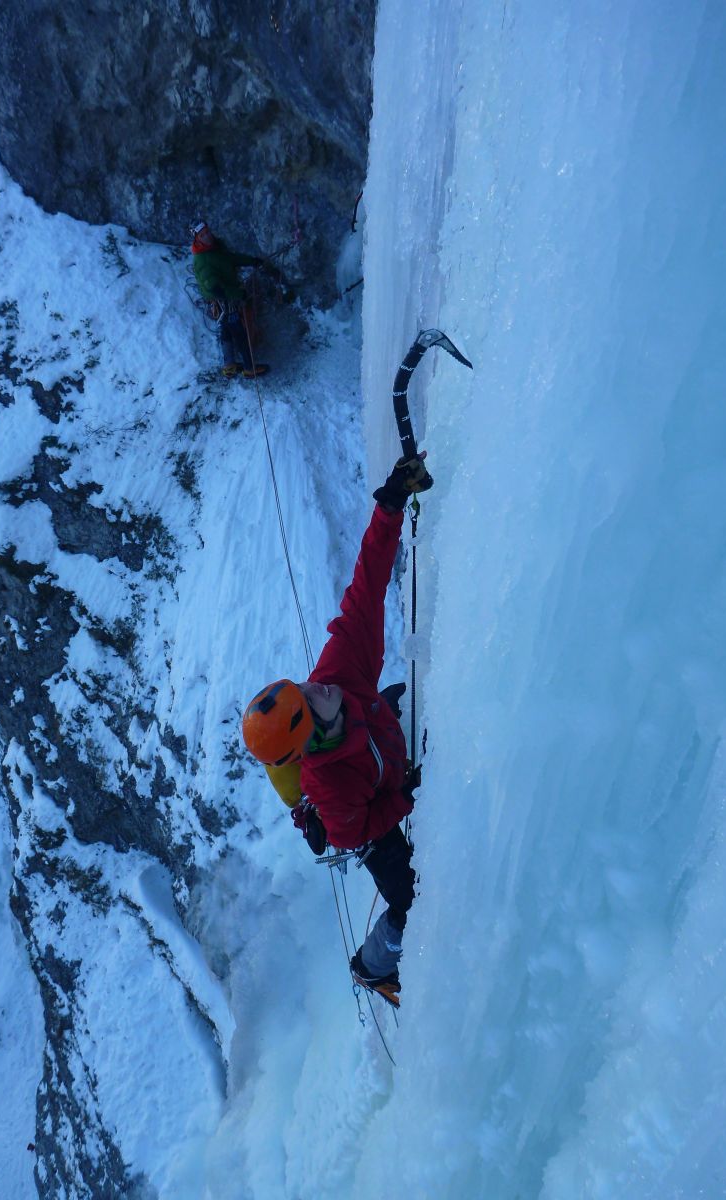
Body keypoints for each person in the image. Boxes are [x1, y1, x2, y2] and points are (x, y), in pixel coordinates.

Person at [240, 454, 432, 1004]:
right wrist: (407, 799)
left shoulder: (336, 674)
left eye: (306, 688)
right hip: (372, 813)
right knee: (410, 900)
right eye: (309, 699)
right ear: (305, 740)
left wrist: (390, 505)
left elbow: (365, 590)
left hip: (383, 747)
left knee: (395, 702)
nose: (318, 685)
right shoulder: (327, 787)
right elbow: (354, 831)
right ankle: (374, 968)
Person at [190, 220, 269, 378]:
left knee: (226, 329)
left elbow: (231, 258)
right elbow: (216, 288)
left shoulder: (215, 248)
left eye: (207, 232)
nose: (207, 236)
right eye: (202, 235)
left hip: (223, 297)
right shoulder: (203, 260)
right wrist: (239, 294)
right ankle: (248, 367)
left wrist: (252, 261)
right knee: (238, 331)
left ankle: (229, 365)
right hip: (223, 299)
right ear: (197, 239)